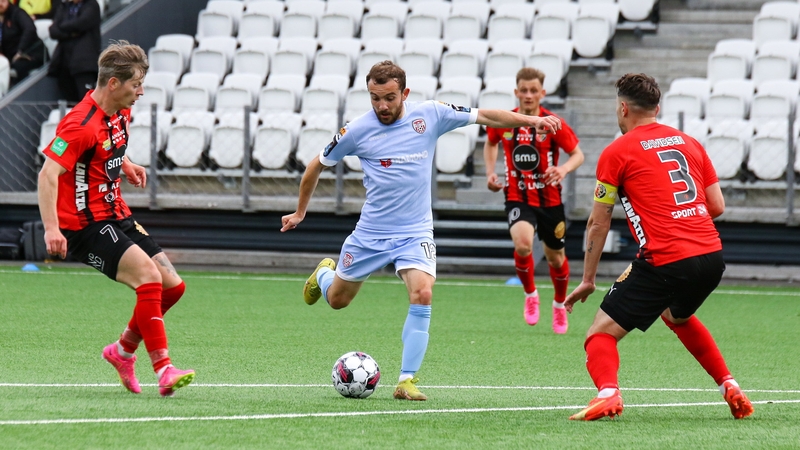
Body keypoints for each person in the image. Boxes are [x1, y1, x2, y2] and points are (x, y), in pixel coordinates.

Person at [281, 61, 562, 401]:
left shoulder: (430, 114)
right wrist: (300, 211)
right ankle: (325, 274)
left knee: (423, 293)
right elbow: (316, 165)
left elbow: (487, 116)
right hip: (371, 233)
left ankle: (406, 380)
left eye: (389, 98)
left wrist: (532, 120)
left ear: (405, 93)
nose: (382, 106)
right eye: (374, 98)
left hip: (415, 232)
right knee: (338, 300)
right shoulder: (356, 130)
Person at [563, 73, 753, 421]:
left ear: (622, 108)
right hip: (711, 256)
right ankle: (729, 384)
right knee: (677, 316)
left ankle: (608, 394)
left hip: (667, 257)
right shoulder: (690, 143)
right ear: (657, 108)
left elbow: (598, 222)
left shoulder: (616, 152)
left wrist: (588, 279)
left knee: (599, 334)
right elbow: (717, 205)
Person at [38, 41, 195, 397]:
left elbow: (104, 150)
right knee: (149, 278)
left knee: (174, 286)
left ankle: (122, 352)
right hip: (84, 225)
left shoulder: (121, 112)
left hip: (116, 213)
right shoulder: (78, 124)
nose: (140, 92)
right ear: (112, 84)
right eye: (135, 84)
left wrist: (124, 164)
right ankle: (164, 369)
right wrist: (51, 228)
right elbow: (48, 174)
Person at [483, 67, 584, 333]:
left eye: (533, 91)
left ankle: (560, 304)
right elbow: (490, 141)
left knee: (555, 258)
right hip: (517, 195)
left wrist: (562, 170)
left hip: (549, 200)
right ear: (516, 93)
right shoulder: (506, 120)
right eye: (523, 91)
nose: (528, 95)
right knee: (524, 245)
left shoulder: (552, 122)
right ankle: (530, 295)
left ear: (542, 92)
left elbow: (577, 155)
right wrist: (490, 173)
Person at [47, 0, 100, 101]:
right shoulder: (64, 6)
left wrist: (61, 26)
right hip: (63, 63)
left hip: (84, 64)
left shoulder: (92, 5)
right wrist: (71, 33)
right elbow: (53, 30)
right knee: (69, 104)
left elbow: (82, 23)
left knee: (86, 102)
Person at [0, 0, 45, 86]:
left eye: (3, 1)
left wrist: (20, 51)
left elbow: (30, 29)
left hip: (31, 54)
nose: (0, 4)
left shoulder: (17, 13)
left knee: (18, 67)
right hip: (10, 57)